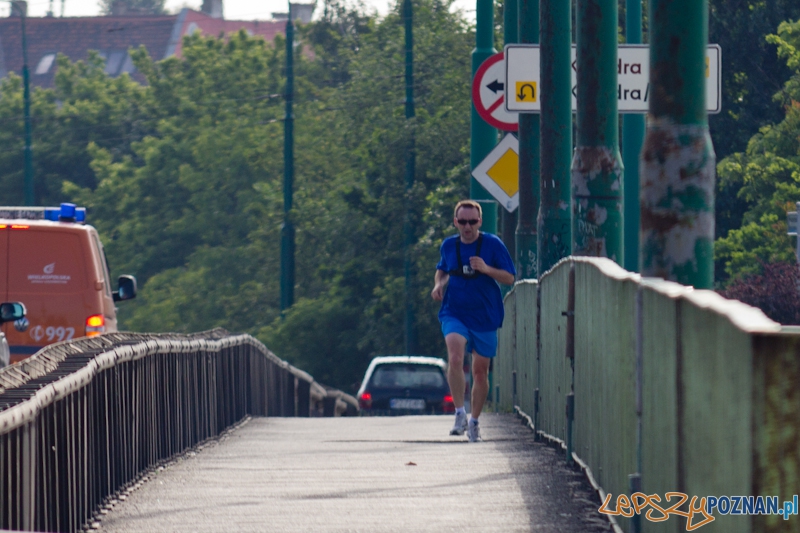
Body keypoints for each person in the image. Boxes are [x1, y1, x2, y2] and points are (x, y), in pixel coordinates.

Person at [431, 200, 515, 442]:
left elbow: (509, 277)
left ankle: (475, 421)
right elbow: (442, 269)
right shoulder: (449, 245)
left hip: (485, 314)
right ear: (456, 222)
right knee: (455, 357)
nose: (467, 227)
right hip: (454, 311)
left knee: (480, 371)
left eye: (472, 222)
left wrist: (487, 269)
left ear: (480, 222)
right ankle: (460, 413)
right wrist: (438, 284)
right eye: (462, 222)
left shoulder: (492, 245)